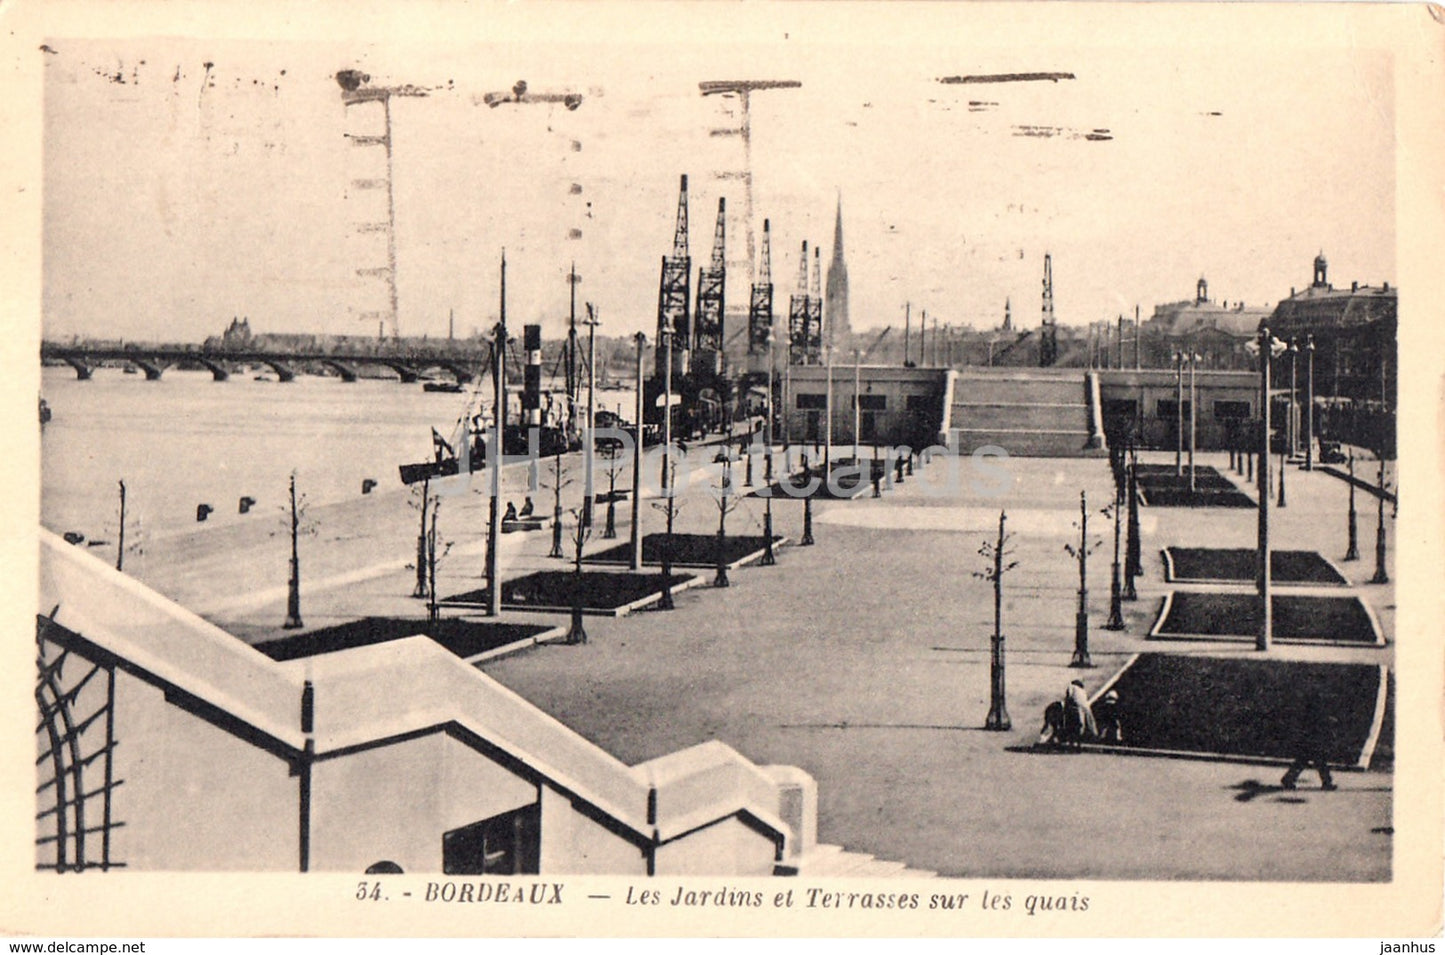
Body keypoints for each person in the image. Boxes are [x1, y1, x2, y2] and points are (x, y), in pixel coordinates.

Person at [1282, 690, 1338, 790]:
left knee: (1305, 761)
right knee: (1319, 761)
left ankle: (1289, 778)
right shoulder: (1315, 712)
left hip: (1308, 739)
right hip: (1313, 739)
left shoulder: (1309, 711)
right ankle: (1327, 782)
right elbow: (1318, 722)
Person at [1062, 679, 1098, 751]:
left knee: (1070, 726)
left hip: (1073, 708)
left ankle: (1071, 744)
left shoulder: (1072, 687)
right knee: (1080, 726)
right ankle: (1079, 744)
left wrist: (1065, 709)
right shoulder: (1083, 691)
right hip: (1084, 710)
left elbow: (1069, 697)